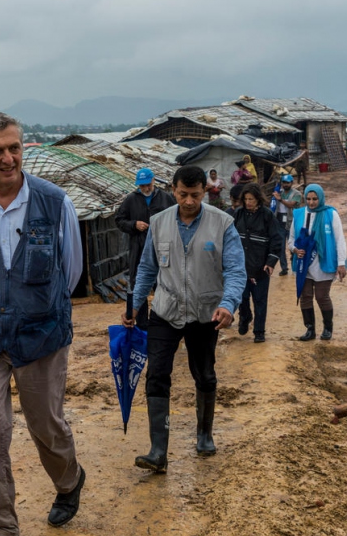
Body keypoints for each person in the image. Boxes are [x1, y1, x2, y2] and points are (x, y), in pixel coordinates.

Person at [0, 112, 86, 535]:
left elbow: (71, 273)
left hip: (40, 332)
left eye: (15, 148)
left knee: (45, 424)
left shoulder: (54, 201)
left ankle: (69, 481)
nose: (8, 158)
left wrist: (35, 306)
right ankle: (2, 523)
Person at [122, 165, 246, 473]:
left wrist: (228, 304)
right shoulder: (158, 223)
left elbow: (235, 271)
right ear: (173, 190)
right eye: (182, 194)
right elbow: (147, 271)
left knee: (204, 374)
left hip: (206, 314)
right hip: (166, 311)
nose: (188, 201)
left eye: (195, 195)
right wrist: (135, 306)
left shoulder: (223, 224)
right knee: (157, 375)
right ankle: (158, 451)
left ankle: (204, 434)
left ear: (205, 191)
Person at [115, 167, 177, 329]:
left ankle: (164, 321)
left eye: (148, 185)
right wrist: (134, 224)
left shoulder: (165, 198)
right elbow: (119, 220)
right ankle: (142, 324)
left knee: (164, 284)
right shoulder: (131, 199)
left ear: (153, 181)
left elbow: (177, 218)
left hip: (163, 248)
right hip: (139, 248)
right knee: (138, 285)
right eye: (142, 186)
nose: (145, 188)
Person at [289, 184, 347, 341]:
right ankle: (310, 329)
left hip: (324, 261)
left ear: (321, 198)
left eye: (315, 199)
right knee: (305, 296)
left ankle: (328, 327)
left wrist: (341, 263)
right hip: (303, 263)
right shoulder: (299, 214)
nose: (311, 202)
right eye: (308, 199)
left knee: (322, 296)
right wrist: (295, 249)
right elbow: (291, 239)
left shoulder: (330, 214)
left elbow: (339, 239)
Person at [233, 183, 284, 343]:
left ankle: (259, 331)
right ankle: (245, 317)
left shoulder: (267, 215)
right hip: (241, 266)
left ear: (258, 200)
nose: (248, 202)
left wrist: (270, 262)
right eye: (246, 199)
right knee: (241, 296)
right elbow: (230, 237)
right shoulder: (238, 214)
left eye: (252, 199)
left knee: (260, 299)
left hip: (260, 265)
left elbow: (277, 239)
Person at [272, 174, 303, 276]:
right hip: (280, 220)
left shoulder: (296, 194)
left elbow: (291, 205)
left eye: (287, 183)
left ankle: (295, 265)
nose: (285, 185)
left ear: (291, 183)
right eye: (283, 182)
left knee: (293, 245)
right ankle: (284, 268)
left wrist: (280, 199)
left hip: (292, 221)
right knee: (281, 246)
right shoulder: (278, 192)